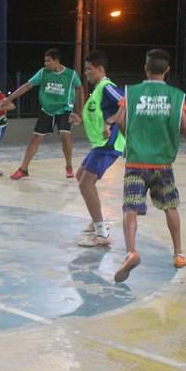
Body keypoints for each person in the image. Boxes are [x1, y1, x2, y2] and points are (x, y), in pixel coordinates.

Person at [113, 49, 186, 283]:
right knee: (170, 207)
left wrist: (131, 139)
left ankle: (131, 251)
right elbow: (185, 126)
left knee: (130, 208)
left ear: (145, 68)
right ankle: (178, 254)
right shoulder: (177, 96)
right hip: (163, 164)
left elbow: (120, 120)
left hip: (136, 162)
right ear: (167, 69)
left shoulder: (131, 93)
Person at [0, 48, 84, 179]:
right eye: (45, 60)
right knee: (36, 138)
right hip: (47, 110)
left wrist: (80, 111)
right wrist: (9, 98)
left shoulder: (71, 75)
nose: (45, 63)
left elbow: (80, 88)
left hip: (64, 110)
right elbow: (27, 86)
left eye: (48, 61)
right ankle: (23, 169)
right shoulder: (43, 72)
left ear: (56, 61)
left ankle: (69, 166)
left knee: (65, 135)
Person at [72, 50, 126, 247]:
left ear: (100, 69)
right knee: (81, 177)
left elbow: (126, 102)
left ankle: (102, 233)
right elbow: (96, 116)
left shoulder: (106, 87)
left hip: (108, 145)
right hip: (99, 145)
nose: (86, 73)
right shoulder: (97, 91)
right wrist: (79, 120)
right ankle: (98, 221)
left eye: (89, 69)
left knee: (85, 184)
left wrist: (111, 121)